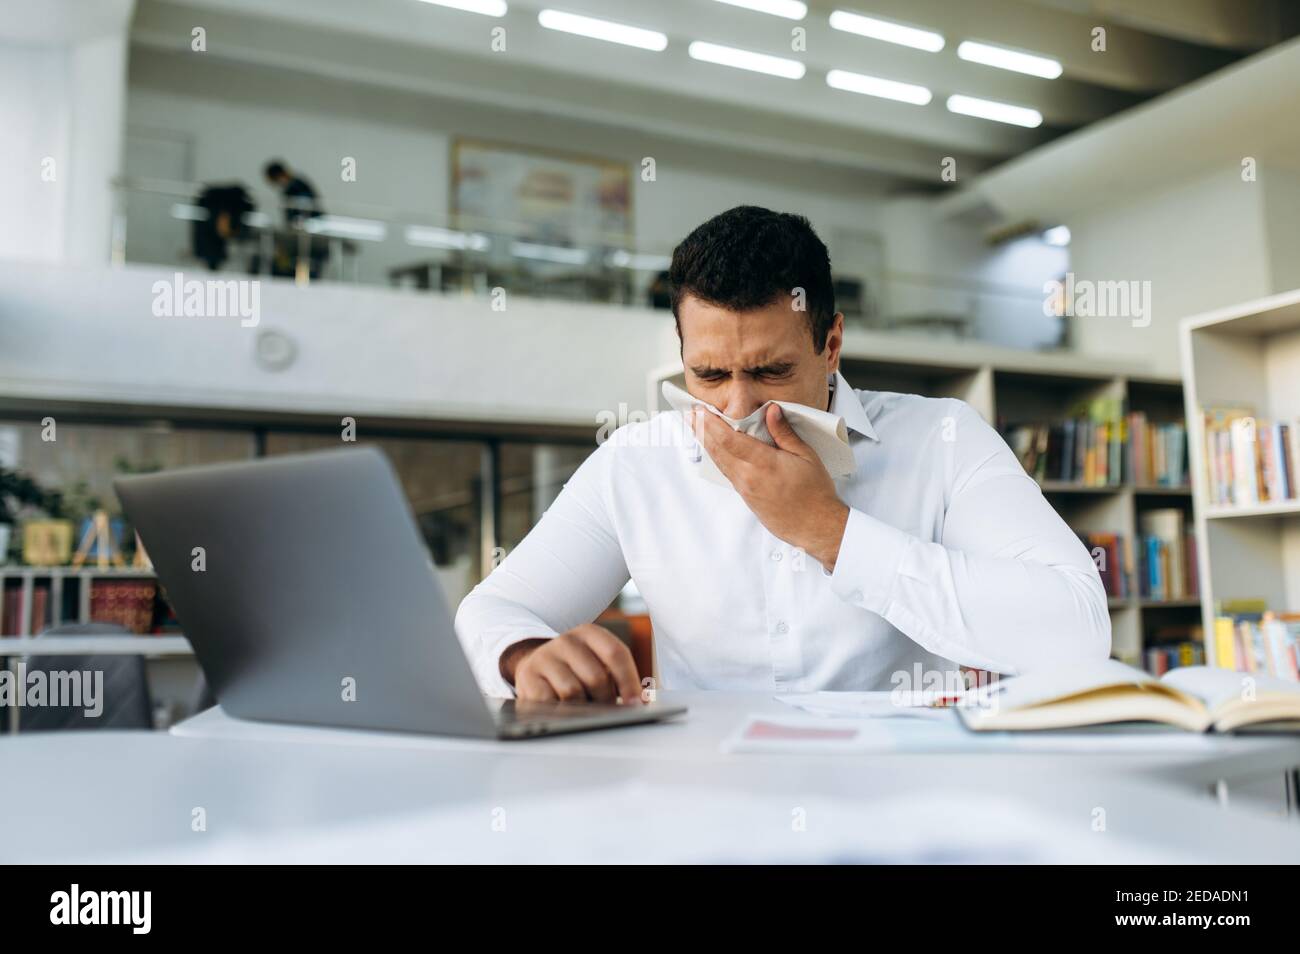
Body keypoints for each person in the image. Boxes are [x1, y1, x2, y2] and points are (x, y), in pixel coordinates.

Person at [455, 206, 1110, 703]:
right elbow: (490, 612)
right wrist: (524, 654)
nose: (737, 408)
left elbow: (1077, 630)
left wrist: (831, 533)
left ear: (830, 345)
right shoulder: (635, 463)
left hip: (907, 807)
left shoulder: (942, 438)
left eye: (769, 371)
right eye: (709, 375)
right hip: (709, 811)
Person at [263, 159, 321, 228]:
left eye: (274, 180)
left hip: (310, 225)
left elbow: (305, 208)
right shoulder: (293, 186)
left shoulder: (297, 187)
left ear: (279, 175)